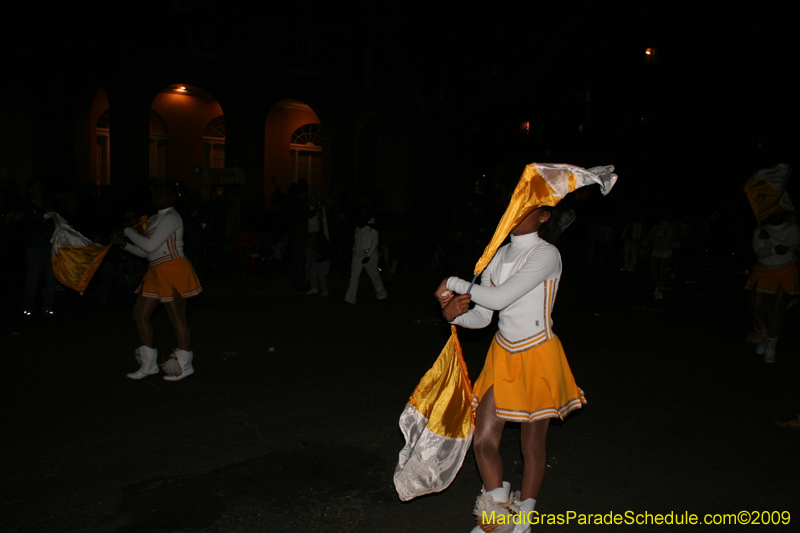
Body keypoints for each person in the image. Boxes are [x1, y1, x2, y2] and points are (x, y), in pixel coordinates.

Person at [435, 206, 584, 533]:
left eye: (528, 209)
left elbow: (500, 297)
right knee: (483, 441)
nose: (516, 213)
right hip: (502, 354)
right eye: (514, 206)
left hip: (538, 355)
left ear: (544, 217)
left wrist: (453, 281)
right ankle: (499, 519)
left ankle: (524, 521)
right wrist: (452, 314)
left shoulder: (547, 254)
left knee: (531, 447)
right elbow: (483, 316)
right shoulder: (500, 255)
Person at [113, 183, 202, 381]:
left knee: (177, 318)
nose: (156, 196)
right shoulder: (154, 219)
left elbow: (150, 245)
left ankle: (185, 366)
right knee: (140, 314)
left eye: (161, 193)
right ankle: (149, 365)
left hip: (172, 269)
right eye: (155, 193)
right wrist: (125, 244)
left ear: (172, 198)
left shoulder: (172, 217)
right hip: (155, 271)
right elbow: (147, 253)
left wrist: (128, 231)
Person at [744, 211, 799, 363]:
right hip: (763, 271)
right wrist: (774, 249)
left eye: (778, 211)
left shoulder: (792, 228)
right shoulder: (760, 229)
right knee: (755, 306)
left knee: (776, 310)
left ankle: (770, 348)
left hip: (785, 272)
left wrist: (769, 238)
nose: (775, 214)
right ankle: (763, 336)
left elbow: (786, 248)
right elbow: (759, 252)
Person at [18, 177, 58, 318]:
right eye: (37, 187)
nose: (40, 190)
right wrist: (40, 218)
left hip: (49, 245)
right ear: (31, 190)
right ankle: (28, 307)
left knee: (51, 278)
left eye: (41, 187)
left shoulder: (48, 203)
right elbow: (23, 225)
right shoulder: (25, 205)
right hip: (34, 247)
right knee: (33, 279)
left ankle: (48, 307)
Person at [344, 211, 387, 304]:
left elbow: (374, 243)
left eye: (363, 213)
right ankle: (349, 299)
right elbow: (356, 241)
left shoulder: (372, 229)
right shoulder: (358, 228)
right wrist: (354, 250)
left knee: (374, 276)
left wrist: (368, 256)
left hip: (369, 256)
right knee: (354, 277)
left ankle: (381, 295)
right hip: (357, 255)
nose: (361, 215)